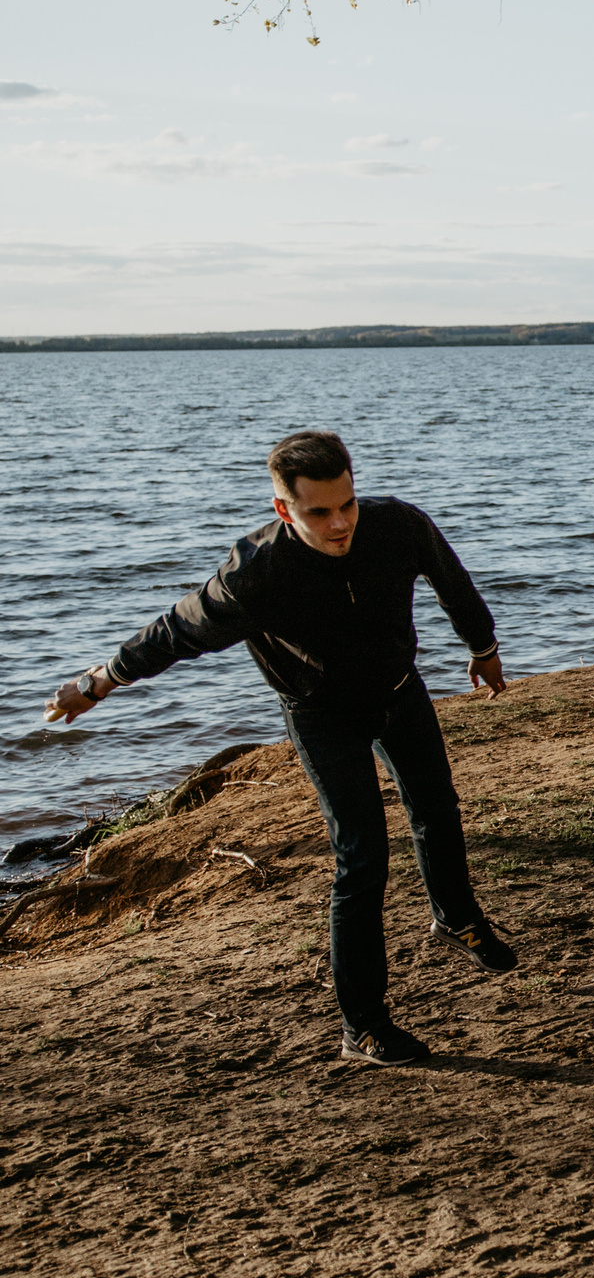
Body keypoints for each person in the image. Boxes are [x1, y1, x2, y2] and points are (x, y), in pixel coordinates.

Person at [46, 430, 520, 1066]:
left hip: (400, 691)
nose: (340, 522)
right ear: (283, 510)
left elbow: (450, 580)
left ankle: (456, 919)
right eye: (318, 512)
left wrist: (482, 646)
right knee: (363, 856)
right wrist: (96, 683)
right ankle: (365, 1026)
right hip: (321, 714)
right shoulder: (254, 575)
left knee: (438, 806)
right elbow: (174, 631)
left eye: (346, 504)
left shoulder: (399, 525)